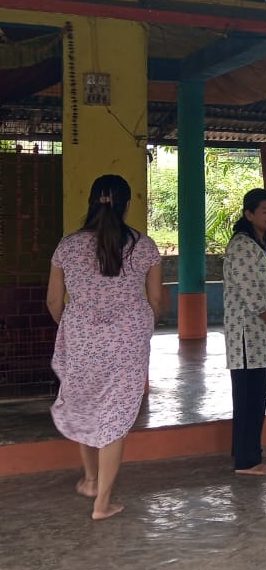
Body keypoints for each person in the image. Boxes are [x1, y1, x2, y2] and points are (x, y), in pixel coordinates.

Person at [46, 174, 162, 520]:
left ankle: (92, 480)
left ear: (92, 201)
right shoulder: (145, 246)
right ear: (127, 204)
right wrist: (138, 330)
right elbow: (156, 299)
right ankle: (103, 503)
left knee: (85, 406)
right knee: (114, 417)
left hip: (81, 338)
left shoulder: (67, 246)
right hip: (128, 341)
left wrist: (75, 328)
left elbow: (54, 301)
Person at [223, 188, 266, 477]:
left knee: (258, 393)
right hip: (248, 334)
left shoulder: (260, 244)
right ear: (248, 214)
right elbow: (252, 295)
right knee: (249, 393)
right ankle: (247, 461)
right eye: (265, 212)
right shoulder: (242, 247)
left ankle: (249, 447)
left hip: (262, 333)